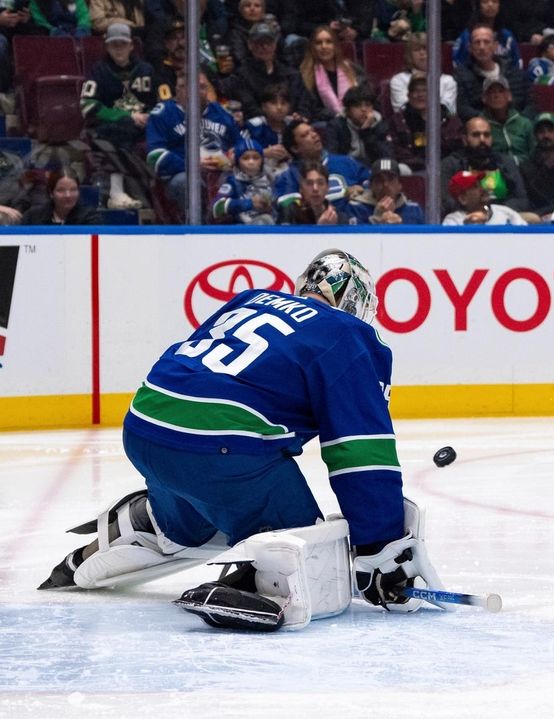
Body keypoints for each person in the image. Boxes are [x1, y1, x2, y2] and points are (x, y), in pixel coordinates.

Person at [38, 249, 446, 631]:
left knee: (202, 509)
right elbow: (359, 450)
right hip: (222, 452)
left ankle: (157, 521)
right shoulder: (347, 333)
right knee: (309, 551)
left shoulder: (250, 299)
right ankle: (270, 579)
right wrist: (380, 544)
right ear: (356, 303)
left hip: (145, 426)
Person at [81, 22, 158, 210]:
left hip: (145, 123)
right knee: (118, 131)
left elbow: (160, 102)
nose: (118, 49)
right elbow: (87, 105)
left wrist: (148, 116)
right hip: (110, 126)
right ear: (107, 46)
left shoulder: (146, 70)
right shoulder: (98, 71)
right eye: (114, 44)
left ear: (131, 45)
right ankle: (116, 192)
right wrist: (126, 117)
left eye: (122, 44)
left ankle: (156, 196)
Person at [145, 71, 238, 212]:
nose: (197, 92)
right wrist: (193, 165)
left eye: (201, 87)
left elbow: (240, 144)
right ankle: (198, 230)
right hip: (182, 175)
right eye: (191, 87)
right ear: (178, 90)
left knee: (246, 178)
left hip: (221, 172)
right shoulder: (164, 113)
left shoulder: (220, 112)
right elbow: (154, 156)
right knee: (189, 183)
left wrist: (235, 154)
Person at [274, 118, 371, 212]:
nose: (314, 135)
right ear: (295, 148)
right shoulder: (289, 176)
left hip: (358, 225)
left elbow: (372, 184)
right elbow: (287, 208)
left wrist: (361, 190)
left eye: (312, 130)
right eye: (305, 135)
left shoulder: (345, 161)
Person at [439, 115, 531, 213]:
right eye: (476, 135)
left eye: (486, 135)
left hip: (503, 216)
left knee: (534, 219)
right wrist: (476, 211)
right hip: (465, 217)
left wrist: (492, 211)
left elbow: (522, 200)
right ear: (465, 139)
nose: (482, 139)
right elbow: (447, 201)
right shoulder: (450, 164)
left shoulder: (506, 162)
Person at [230, 21, 309, 119]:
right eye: (259, 42)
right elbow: (249, 107)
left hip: (291, 124)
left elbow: (304, 102)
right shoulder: (241, 75)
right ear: (250, 45)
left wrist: (300, 115)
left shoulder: (291, 74)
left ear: (275, 44)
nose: (264, 47)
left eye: (268, 42)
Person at [453, 24, 530, 121]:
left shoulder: (516, 73)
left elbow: (531, 106)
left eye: (486, 42)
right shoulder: (461, 76)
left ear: (495, 46)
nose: (482, 47)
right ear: (470, 48)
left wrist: (517, 123)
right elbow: (463, 109)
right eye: (477, 42)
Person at [298, 25, 365, 122]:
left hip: (355, 121)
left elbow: (365, 97)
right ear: (312, 47)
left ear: (336, 46)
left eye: (329, 42)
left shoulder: (352, 69)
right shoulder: (305, 75)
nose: (323, 46)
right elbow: (310, 109)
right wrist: (338, 116)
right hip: (325, 123)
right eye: (318, 43)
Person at [323, 85, 395, 166]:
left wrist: (366, 131)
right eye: (357, 106)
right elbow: (332, 157)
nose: (363, 109)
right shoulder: (336, 126)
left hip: (373, 170)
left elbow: (387, 157)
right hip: (347, 169)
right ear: (348, 110)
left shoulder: (380, 125)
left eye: (367, 105)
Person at [389, 32, 457, 114]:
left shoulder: (448, 81)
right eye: (417, 50)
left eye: (426, 49)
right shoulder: (399, 80)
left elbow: (449, 110)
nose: (422, 53)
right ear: (409, 55)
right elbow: (401, 109)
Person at [211, 139, 275, 224]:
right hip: (240, 230)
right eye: (245, 158)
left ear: (262, 161)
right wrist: (249, 203)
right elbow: (216, 207)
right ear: (238, 162)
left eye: (256, 158)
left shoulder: (271, 180)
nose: (251, 162)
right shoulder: (232, 182)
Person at [349, 157, 426, 224]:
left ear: (399, 185)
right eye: (379, 180)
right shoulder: (356, 208)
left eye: (390, 179)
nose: (385, 185)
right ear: (371, 186)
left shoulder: (413, 209)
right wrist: (377, 219)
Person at [241, 84, 295, 180]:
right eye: (274, 103)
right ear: (264, 107)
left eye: (283, 103)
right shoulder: (254, 126)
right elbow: (237, 152)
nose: (279, 107)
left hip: (288, 174)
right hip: (257, 175)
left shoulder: (293, 126)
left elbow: (305, 153)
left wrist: (289, 156)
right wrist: (263, 152)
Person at [279, 160, 355, 224]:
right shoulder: (289, 212)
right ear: (301, 188)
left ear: (328, 187)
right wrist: (320, 230)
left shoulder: (339, 218)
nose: (315, 188)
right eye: (309, 183)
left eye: (320, 183)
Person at [442, 169, 528, 225]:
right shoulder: (453, 221)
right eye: (475, 187)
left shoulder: (504, 212)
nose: (482, 189)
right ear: (463, 199)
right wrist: (468, 228)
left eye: (480, 184)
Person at [452, 0, 520, 70]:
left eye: (494, 1)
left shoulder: (507, 36)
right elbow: (458, 63)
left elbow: (515, 64)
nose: (490, 5)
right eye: (485, 2)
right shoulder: (467, 35)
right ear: (479, 6)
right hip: (473, 78)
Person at [480, 76, 534, 163]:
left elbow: (535, 154)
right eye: (491, 92)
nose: (496, 95)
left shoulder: (525, 123)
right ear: (484, 98)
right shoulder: (480, 126)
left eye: (501, 91)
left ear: (509, 96)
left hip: (525, 169)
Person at [21, 171, 101, 225]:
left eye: (73, 189)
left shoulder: (91, 218)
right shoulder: (32, 217)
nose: (68, 195)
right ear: (51, 193)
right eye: (61, 190)